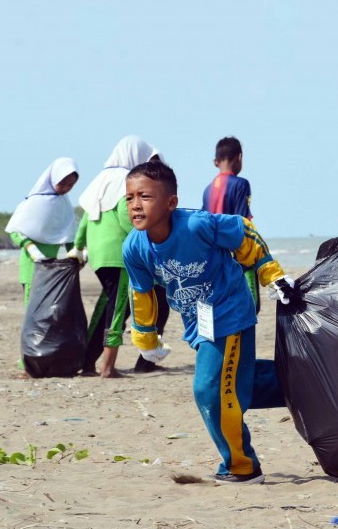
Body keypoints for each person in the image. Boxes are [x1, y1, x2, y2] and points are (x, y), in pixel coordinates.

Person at [122, 161, 295, 484]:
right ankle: (309, 379)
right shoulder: (134, 247)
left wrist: (272, 275)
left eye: (145, 196)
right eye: (129, 198)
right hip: (197, 324)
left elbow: (243, 233)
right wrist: (145, 339)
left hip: (229, 312)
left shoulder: (196, 225)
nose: (135, 205)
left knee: (209, 389)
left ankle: (242, 466)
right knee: (239, 382)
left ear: (170, 202)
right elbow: (142, 294)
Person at [70, 136, 169, 377]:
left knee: (105, 306)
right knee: (118, 310)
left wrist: (78, 247)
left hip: (99, 255)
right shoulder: (125, 182)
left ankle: (87, 361)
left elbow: (85, 219)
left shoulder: (100, 181)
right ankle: (107, 367)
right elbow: (129, 220)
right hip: (119, 256)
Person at [5, 157, 79, 306]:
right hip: (31, 264)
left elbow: (69, 234)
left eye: (71, 185)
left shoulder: (65, 204)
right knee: (32, 307)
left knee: (46, 307)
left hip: (51, 267)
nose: (66, 188)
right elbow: (14, 230)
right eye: (63, 183)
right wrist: (31, 248)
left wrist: (76, 252)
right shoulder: (34, 202)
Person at [201, 136, 260, 313]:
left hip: (213, 259)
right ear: (239, 158)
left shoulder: (208, 189)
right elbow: (243, 222)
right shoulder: (241, 184)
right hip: (238, 258)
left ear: (215, 162)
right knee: (250, 308)